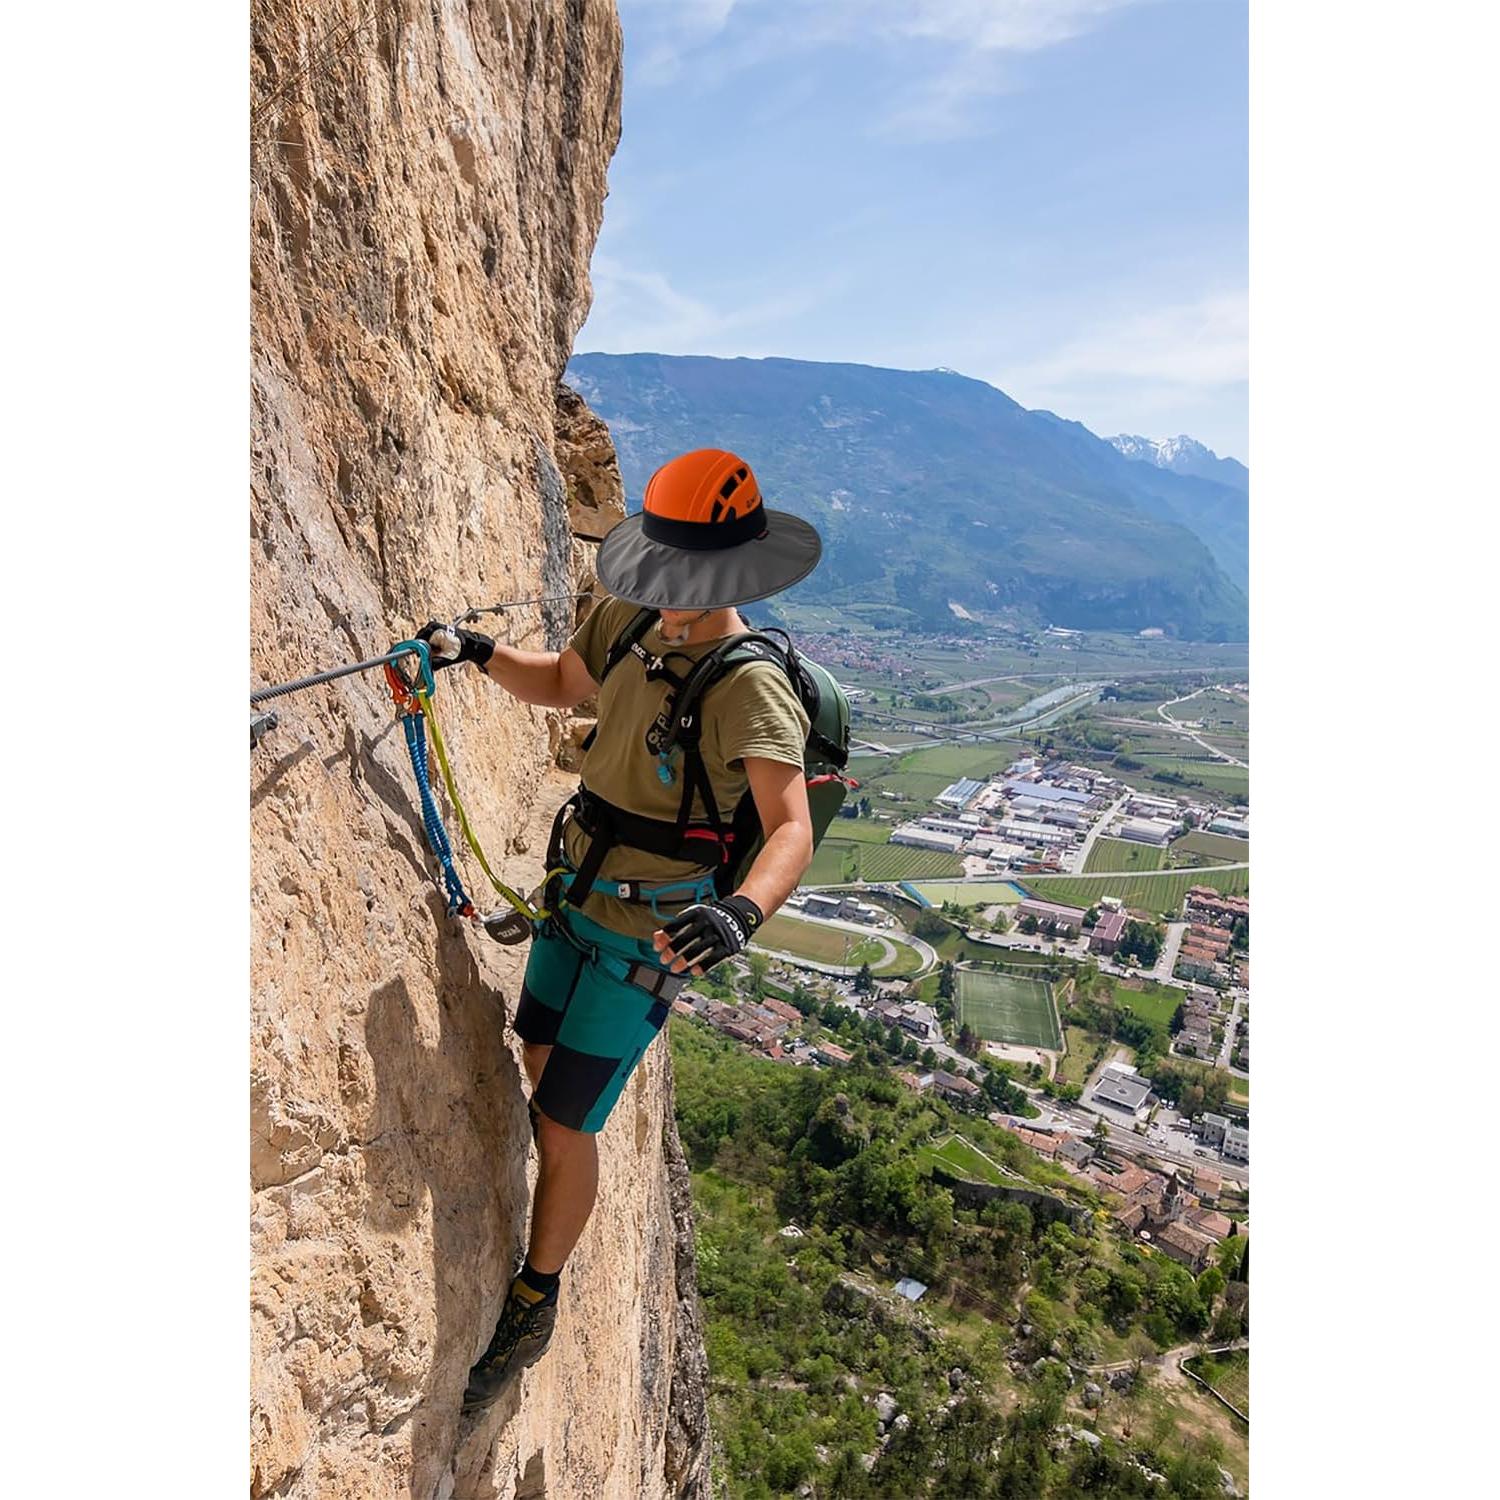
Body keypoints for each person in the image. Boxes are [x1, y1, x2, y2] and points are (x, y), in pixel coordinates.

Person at [418, 448, 824, 1412]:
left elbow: (792, 826)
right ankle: (559, 1156)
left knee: (565, 1119)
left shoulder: (747, 685)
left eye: (688, 582)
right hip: (576, 893)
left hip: (648, 943)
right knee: (538, 1052)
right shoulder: (632, 615)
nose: (670, 596)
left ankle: (534, 1294)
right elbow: (564, 679)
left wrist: (739, 909)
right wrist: (477, 654)